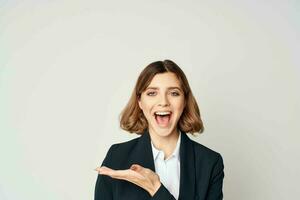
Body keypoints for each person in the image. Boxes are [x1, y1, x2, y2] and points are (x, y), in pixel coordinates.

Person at [94, 60, 224, 200]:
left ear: (185, 101)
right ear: (140, 101)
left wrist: (155, 188)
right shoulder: (117, 156)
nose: (163, 102)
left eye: (174, 93)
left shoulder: (210, 162)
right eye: (152, 93)